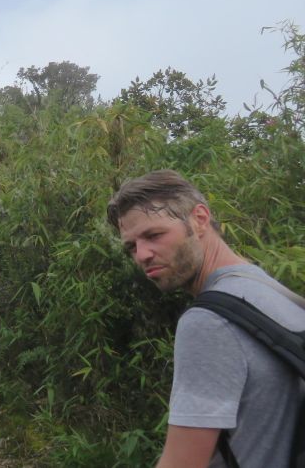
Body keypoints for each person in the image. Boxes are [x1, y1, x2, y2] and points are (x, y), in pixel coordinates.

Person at [107, 169, 305, 468]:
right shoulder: (270, 291)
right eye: (131, 246)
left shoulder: (210, 322)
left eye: (154, 235)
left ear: (199, 219)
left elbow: (182, 463)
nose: (142, 255)